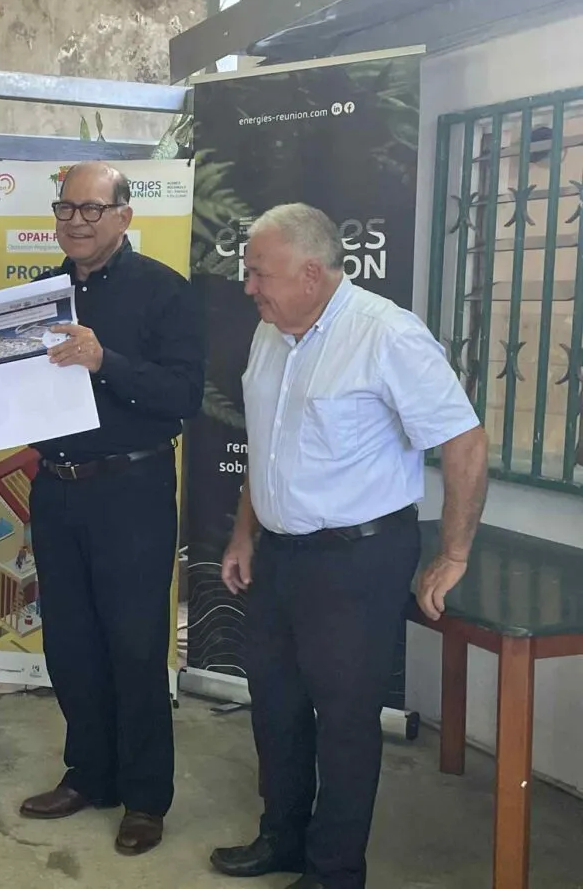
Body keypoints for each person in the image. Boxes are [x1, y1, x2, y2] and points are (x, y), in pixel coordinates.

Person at [210, 203, 488, 889]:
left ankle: (334, 871)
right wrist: (245, 532)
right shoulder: (271, 332)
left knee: (344, 720)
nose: (248, 286)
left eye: (260, 273)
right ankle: (283, 838)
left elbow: (463, 440)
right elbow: (265, 449)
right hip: (279, 555)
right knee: (274, 704)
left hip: (356, 561)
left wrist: (453, 553)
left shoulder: (386, 334)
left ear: (311, 273)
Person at [11, 161, 205, 855]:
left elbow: (183, 396)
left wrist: (105, 361)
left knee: (135, 644)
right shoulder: (40, 295)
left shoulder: (165, 292)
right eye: (66, 208)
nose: (76, 221)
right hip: (56, 489)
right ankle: (89, 774)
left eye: (91, 209)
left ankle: (145, 796)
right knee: (69, 641)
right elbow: (19, 396)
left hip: (133, 490)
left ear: (125, 214)